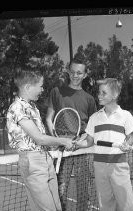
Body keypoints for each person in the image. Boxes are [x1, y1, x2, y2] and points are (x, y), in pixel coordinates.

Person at [6, 69, 74, 211]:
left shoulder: (33, 107)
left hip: (45, 158)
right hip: (33, 162)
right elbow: (39, 138)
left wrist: (53, 145)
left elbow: (40, 140)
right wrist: (63, 141)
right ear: (28, 87)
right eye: (40, 86)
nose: (42, 90)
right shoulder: (17, 107)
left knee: (55, 206)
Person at [75, 78, 133, 211]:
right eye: (99, 92)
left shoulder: (125, 115)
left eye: (104, 93)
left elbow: (130, 137)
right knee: (105, 204)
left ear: (115, 95)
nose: (99, 96)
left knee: (127, 204)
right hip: (99, 166)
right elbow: (89, 141)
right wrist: (76, 144)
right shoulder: (94, 118)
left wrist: (127, 144)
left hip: (118, 165)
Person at [46, 59, 97, 211]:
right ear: (68, 71)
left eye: (79, 72)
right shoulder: (56, 92)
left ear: (85, 74)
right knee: (60, 190)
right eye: (72, 71)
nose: (75, 75)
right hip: (62, 149)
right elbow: (49, 118)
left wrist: (82, 140)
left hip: (82, 149)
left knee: (83, 192)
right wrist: (57, 139)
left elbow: (92, 127)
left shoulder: (89, 99)